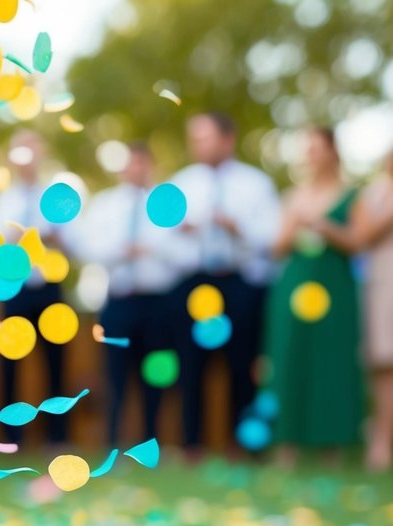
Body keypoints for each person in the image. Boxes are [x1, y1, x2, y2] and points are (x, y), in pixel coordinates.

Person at [171, 112, 280, 452]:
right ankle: (192, 444)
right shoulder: (180, 184)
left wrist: (239, 228)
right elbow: (160, 241)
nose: (198, 145)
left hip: (240, 282)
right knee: (191, 365)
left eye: (205, 137)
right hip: (195, 283)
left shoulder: (256, 184)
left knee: (242, 364)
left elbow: (275, 236)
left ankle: (245, 446)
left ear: (227, 139)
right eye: (195, 138)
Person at [264, 127, 363, 463]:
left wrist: (327, 227)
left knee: (331, 361)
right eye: (307, 149)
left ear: (333, 152)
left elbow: (358, 242)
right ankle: (286, 447)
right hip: (294, 286)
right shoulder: (294, 196)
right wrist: (295, 228)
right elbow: (277, 247)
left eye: (317, 148)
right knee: (289, 358)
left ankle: (331, 448)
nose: (311, 155)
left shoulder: (351, 194)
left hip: (334, 287)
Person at [77, 141, 178, 444]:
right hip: (119, 300)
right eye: (131, 163)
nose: (136, 169)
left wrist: (151, 249)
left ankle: (151, 441)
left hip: (157, 301)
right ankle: (112, 442)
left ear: (150, 166)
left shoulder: (167, 205)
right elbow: (88, 248)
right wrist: (121, 250)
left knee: (156, 375)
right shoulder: (106, 205)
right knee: (115, 376)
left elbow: (180, 251)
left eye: (141, 163)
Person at [0, 132, 70, 442]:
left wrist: (56, 237)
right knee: (9, 366)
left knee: (56, 364)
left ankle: (57, 437)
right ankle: (10, 437)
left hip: (50, 288)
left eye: (32, 148)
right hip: (13, 290)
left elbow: (78, 244)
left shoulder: (58, 200)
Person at [327, 148, 393, 471]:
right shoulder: (374, 193)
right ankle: (381, 443)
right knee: (383, 364)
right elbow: (363, 237)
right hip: (383, 284)